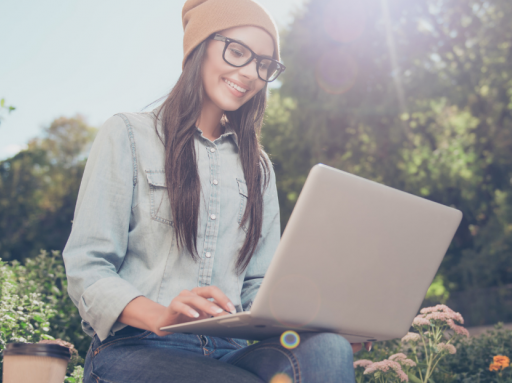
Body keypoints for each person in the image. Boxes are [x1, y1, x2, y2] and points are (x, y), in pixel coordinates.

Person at [62, 0, 362, 381]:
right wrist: (160, 316)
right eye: (237, 52)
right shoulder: (128, 135)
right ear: (199, 46)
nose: (250, 73)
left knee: (328, 349)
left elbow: (257, 290)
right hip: (135, 349)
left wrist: (319, 324)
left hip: (229, 353)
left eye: (263, 65)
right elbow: (88, 267)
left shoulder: (259, 169)